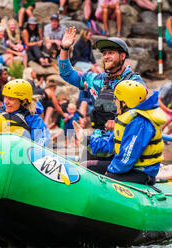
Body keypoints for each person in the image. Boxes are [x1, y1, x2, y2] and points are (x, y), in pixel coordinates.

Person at [59, 27, 144, 161]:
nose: (106, 57)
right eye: (104, 53)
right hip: (97, 143)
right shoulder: (96, 80)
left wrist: (118, 122)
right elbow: (67, 74)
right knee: (81, 171)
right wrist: (64, 49)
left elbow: (143, 113)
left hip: (123, 144)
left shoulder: (135, 82)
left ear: (122, 56)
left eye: (111, 53)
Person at [73, 80, 167, 185]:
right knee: (87, 166)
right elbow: (110, 146)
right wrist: (85, 139)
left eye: (116, 99)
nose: (114, 102)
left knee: (101, 177)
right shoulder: (127, 118)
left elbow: (128, 156)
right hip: (128, 168)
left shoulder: (140, 123)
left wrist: (109, 172)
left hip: (141, 173)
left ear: (125, 102)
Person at [0, 79, 50, 146]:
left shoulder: (33, 119)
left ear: (23, 101)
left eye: (11, 99)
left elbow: (41, 144)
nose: (6, 102)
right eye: (5, 97)